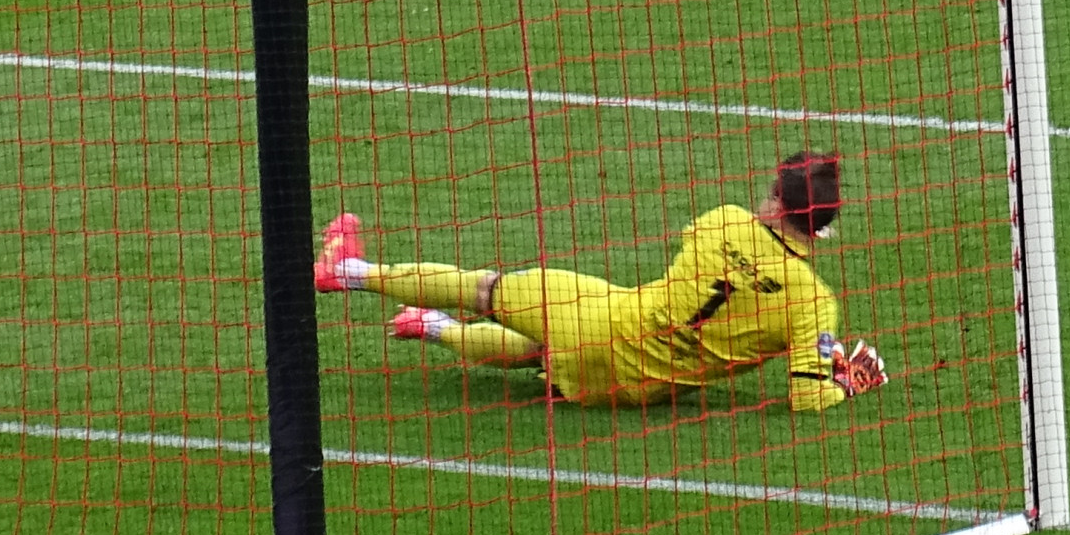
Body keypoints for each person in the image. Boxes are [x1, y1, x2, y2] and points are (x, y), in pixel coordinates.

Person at [313, 152, 890, 410]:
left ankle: (348, 272)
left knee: (485, 290)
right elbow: (808, 398)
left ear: (773, 202)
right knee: (540, 354)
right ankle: (434, 329)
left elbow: (718, 269)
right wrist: (846, 382)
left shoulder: (724, 220)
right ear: (824, 228)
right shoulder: (815, 304)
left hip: (604, 321)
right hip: (629, 389)